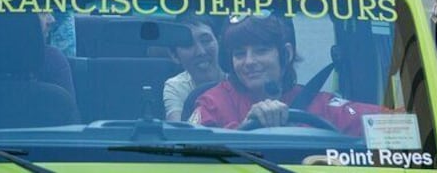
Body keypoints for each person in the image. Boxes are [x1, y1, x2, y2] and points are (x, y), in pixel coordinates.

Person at [189, 14, 384, 135]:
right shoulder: (213, 103)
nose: (248, 61)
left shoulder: (321, 105)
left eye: (261, 50)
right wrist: (243, 130)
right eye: (240, 54)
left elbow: (396, 122)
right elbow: (193, 153)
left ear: (286, 54)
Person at [163, 15, 224, 121]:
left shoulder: (241, 75)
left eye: (206, 40)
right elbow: (178, 132)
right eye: (188, 45)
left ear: (219, 42)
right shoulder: (176, 86)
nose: (201, 52)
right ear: (174, 56)